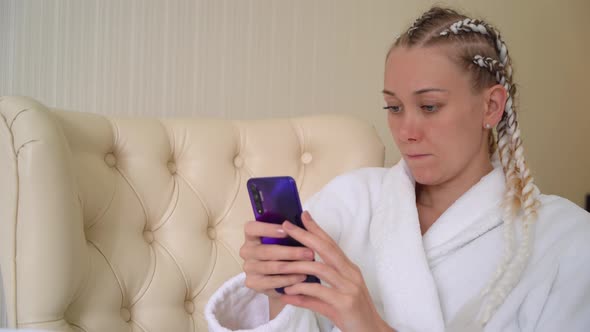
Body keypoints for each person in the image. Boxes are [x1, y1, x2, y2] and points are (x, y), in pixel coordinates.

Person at [205, 6, 590, 332]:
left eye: (429, 107)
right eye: (393, 107)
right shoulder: (351, 199)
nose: (406, 132)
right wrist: (278, 293)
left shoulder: (565, 240)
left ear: (491, 106)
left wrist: (370, 323)